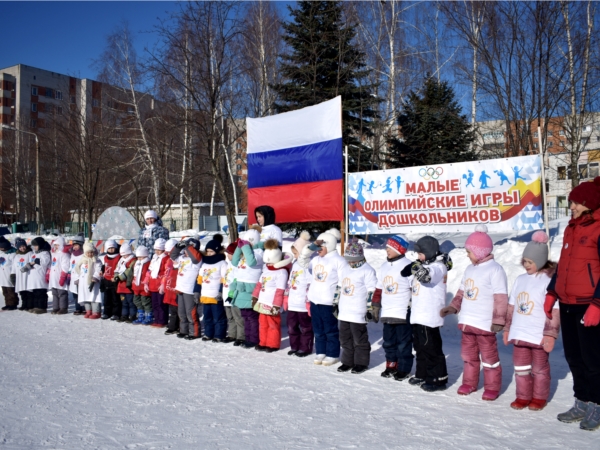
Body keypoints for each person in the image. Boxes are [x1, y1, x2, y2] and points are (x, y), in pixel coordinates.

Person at [546, 177, 600, 431]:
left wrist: (597, 305)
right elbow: (564, 265)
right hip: (567, 303)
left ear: (589, 203)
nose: (572, 207)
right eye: (571, 203)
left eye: (576, 202)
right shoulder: (572, 227)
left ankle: (597, 405)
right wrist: (551, 292)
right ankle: (582, 401)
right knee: (574, 357)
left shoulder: (598, 228)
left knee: (593, 359)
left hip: (588, 304)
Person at [440, 225, 508, 401]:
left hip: (485, 324)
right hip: (468, 322)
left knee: (489, 358)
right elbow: (462, 292)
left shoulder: (495, 270)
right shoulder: (470, 269)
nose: (467, 255)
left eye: (469, 251)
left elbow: (501, 297)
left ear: (479, 251)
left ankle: (492, 386)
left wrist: (499, 320)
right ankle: (469, 382)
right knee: (469, 357)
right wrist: (453, 307)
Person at [504, 231, 560, 411]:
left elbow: (554, 309)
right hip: (520, 334)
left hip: (538, 335)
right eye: (524, 261)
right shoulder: (520, 280)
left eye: (530, 262)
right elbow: (511, 307)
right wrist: (507, 329)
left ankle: (539, 397)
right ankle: (523, 396)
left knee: (540, 369)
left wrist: (550, 334)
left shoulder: (548, 280)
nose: (526, 265)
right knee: (521, 368)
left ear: (541, 260)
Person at [401, 236, 450, 392]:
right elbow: (406, 273)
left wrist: (415, 266)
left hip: (429, 316)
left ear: (429, 253)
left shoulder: (438, 267)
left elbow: (426, 276)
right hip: (418, 315)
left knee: (431, 348)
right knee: (420, 347)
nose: (418, 257)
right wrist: (412, 266)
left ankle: (437, 377)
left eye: (420, 253)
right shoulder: (425, 264)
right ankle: (422, 373)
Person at [299, 228, 345, 367]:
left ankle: (332, 354)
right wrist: (310, 249)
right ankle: (321, 351)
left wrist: (337, 301)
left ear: (329, 245)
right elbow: (302, 261)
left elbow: (342, 282)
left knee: (330, 329)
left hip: (328, 302)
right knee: (317, 328)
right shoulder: (316, 259)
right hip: (315, 300)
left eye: (321, 246)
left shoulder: (339, 261)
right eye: (317, 247)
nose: (318, 249)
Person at [372, 235, 413, 380]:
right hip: (388, 312)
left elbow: (415, 288)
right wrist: (375, 305)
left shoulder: (409, 265)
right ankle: (391, 364)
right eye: (387, 247)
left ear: (399, 248)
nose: (386, 250)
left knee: (403, 343)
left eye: (390, 247)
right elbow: (379, 288)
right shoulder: (384, 266)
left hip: (402, 312)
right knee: (388, 341)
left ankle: (403, 367)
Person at [335, 239, 377, 374]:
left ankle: (361, 362)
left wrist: (370, 308)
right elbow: (340, 286)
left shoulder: (367, 270)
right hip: (345, 311)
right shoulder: (346, 268)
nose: (350, 262)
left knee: (359, 339)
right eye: (348, 260)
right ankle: (347, 361)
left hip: (358, 311)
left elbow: (372, 290)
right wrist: (335, 302)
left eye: (353, 260)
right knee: (345, 338)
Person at [251, 239, 291, 352]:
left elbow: (280, 290)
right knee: (263, 324)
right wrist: (255, 297)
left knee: (273, 324)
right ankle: (263, 342)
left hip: (272, 303)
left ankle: (273, 344)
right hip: (263, 302)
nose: (268, 263)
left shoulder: (281, 272)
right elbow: (259, 284)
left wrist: (277, 305)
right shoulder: (266, 269)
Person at [231, 229, 264, 349]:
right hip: (241, 288)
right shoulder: (245, 252)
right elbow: (234, 262)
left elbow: (251, 262)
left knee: (252, 316)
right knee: (245, 316)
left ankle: (254, 339)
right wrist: (239, 247)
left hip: (251, 288)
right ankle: (247, 337)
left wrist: (246, 247)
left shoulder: (259, 252)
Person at [284, 231, 313, 357]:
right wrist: (286, 296)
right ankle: (294, 346)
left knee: (306, 327)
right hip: (292, 303)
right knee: (291, 327)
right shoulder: (295, 264)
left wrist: (308, 301)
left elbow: (310, 284)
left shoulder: (308, 265)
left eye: (296, 252)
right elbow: (290, 281)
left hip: (302, 303)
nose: (294, 255)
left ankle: (305, 347)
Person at [171, 237, 203, 340]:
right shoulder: (182, 258)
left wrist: (188, 246)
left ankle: (194, 332)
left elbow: (195, 257)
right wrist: (177, 247)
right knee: (181, 312)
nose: (186, 251)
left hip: (190, 290)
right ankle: (183, 330)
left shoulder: (197, 260)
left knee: (191, 313)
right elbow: (172, 255)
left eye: (189, 248)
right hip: (180, 288)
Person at [198, 237, 228, 342]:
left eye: (211, 251)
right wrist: (197, 291)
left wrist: (220, 291)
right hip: (205, 295)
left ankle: (219, 334)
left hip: (216, 295)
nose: (209, 253)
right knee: (207, 317)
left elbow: (224, 278)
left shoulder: (222, 263)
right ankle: (208, 333)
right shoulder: (204, 263)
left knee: (218, 317)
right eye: (207, 251)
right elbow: (200, 278)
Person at [75, 242, 102, 319]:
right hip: (83, 283)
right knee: (85, 297)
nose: (90, 254)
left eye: (91, 252)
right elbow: (78, 270)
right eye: (88, 252)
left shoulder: (96, 260)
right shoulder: (82, 260)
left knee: (94, 297)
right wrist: (78, 278)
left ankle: (96, 311)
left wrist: (95, 278)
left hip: (93, 282)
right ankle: (88, 311)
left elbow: (98, 270)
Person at [147, 238, 169, 328]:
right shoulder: (154, 257)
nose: (157, 252)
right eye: (156, 250)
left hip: (160, 284)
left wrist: (163, 284)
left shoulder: (165, 258)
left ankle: (162, 320)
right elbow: (150, 270)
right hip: (153, 284)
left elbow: (166, 272)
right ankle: (156, 319)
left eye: (159, 250)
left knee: (161, 304)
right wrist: (146, 282)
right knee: (155, 304)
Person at [223, 241, 243, 345]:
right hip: (226, 295)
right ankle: (232, 334)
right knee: (230, 317)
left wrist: (231, 294)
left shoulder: (238, 265)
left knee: (238, 317)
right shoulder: (229, 264)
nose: (228, 255)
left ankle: (240, 337)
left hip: (234, 295)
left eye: (230, 253)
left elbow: (236, 280)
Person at [26, 237, 52, 314]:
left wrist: (35, 261)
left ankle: (42, 307)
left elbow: (45, 262)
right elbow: (31, 262)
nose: (34, 247)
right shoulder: (34, 254)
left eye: (36, 245)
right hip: (33, 277)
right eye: (34, 245)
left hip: (40, 276)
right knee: (35, 293)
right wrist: (28, 265)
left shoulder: (45, 253)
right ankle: (36, 306)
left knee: (41, 293)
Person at [48, 236, 71, 314]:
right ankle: (55, 307)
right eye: (55, 245)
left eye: (58, 245)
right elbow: (51, 265)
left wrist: (63, 276)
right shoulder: (54, 253)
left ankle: (63, 308)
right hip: (54, 277)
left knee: (62, 293)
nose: (56, 247)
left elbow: (66, 266)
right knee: (54, 293)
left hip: (60, 277)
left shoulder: (65, 254)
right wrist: (48, 275)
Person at [162, 238, 180, 335]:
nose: (168, 254)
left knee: (179, 311)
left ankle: (178, 326)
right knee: (172, 310)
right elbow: (166, 274)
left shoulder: (180, 260)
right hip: (169, 288)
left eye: (170, 252)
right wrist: (163, 284)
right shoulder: (169, 261)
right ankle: (173, 326)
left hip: (176, 289)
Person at [114, 243, 136, 323]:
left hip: (128, 285)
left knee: (131, 302)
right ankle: (124, 315)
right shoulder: (121, 260)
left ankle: (132, 315)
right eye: (123, 255)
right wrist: (116, 275)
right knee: (124, 302)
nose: (124, 257)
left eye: (126, 255)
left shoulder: (132, 260)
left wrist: (121, 277)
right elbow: (117, 268)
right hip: (121, 286)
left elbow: (129, 271)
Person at [100, 240, 121, 320]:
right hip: (106, 280)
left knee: (115, 298)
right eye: (109, 248)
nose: (111, 250)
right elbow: (104, 266)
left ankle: (116, 313)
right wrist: (102, 270)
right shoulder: (105, 257)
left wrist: (116, 277)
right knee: (106, 299)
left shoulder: (118, 257)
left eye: (113, 248)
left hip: (114, 280)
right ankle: (106, 312)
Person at [131, 246, 152, 325]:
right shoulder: (136, 263)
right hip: (136, 286)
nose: (139, 259)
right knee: (136, 301)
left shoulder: (148, 263)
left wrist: (146, 282)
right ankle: (141, 316)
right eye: (138, 257)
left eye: (141, 257)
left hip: (144, 287)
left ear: (146, 256)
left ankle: (148, 316)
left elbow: (149, 274)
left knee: (145, 302)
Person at [13, 238, 32, 311]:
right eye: (20, 247)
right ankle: (24, 304)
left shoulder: (29, 253)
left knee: (28, 291)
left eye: (23, 246)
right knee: (22, 292)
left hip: (27, 275)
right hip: (19, 276)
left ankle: (29, 305)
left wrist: (26, 268)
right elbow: (14, 266)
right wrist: (13, 274)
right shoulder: (16, 256)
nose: (22, 248)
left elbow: (32, 263)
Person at [69, 235, 85, 315]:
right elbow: (71, 265)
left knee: (81, 293)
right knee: (75, 294)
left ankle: (84, 308)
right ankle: (78, 308)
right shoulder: (72, 254)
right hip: (73, 277)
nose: (74, 247)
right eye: (74, 245)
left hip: (80, 278)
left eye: (76, 245)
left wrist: (80, 277)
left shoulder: (83, 255)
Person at [0, 236, 17, 310]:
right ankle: (7, 303)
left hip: (9, 274)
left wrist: (13, 274)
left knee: (10, 290)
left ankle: (13, 304)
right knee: (5, 291)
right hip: (2, 275)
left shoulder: (12, 254)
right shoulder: (2, 253)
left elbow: (14, 265)